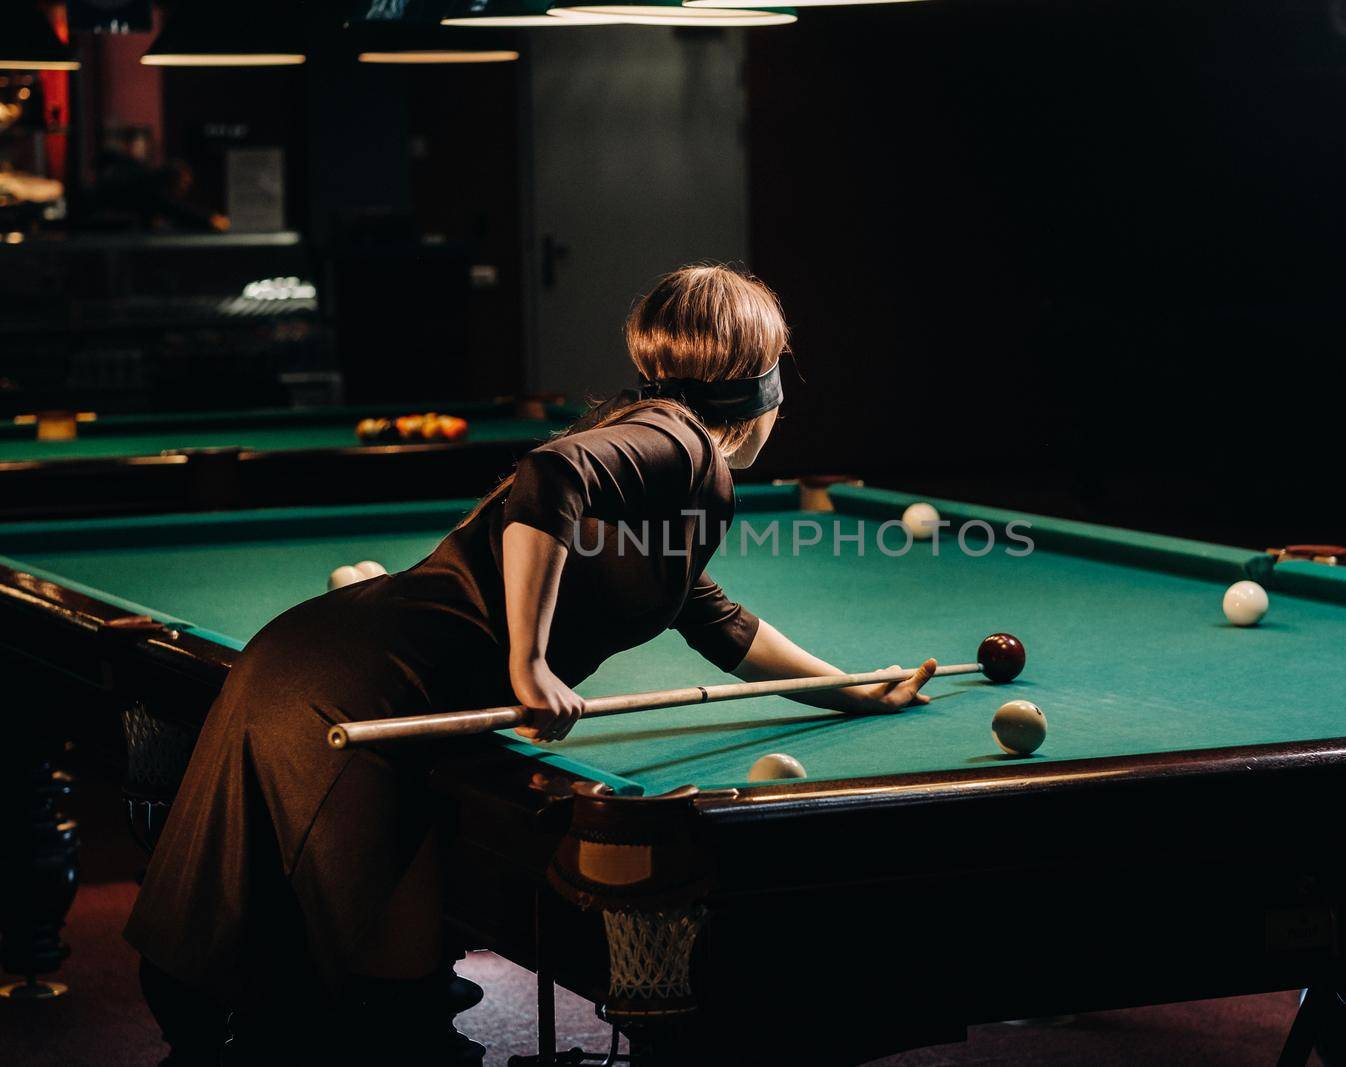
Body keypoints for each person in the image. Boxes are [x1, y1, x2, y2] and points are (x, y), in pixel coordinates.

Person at [124, 264, 937, 1064]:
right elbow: (548, 476)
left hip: (319, 664)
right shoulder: (681, 442)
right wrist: (531, 660)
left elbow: (713, 618)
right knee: (370, 1023)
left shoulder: (664, 460)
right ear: (756, 385)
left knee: (292, 999)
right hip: (365, 692)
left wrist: (847, 688)